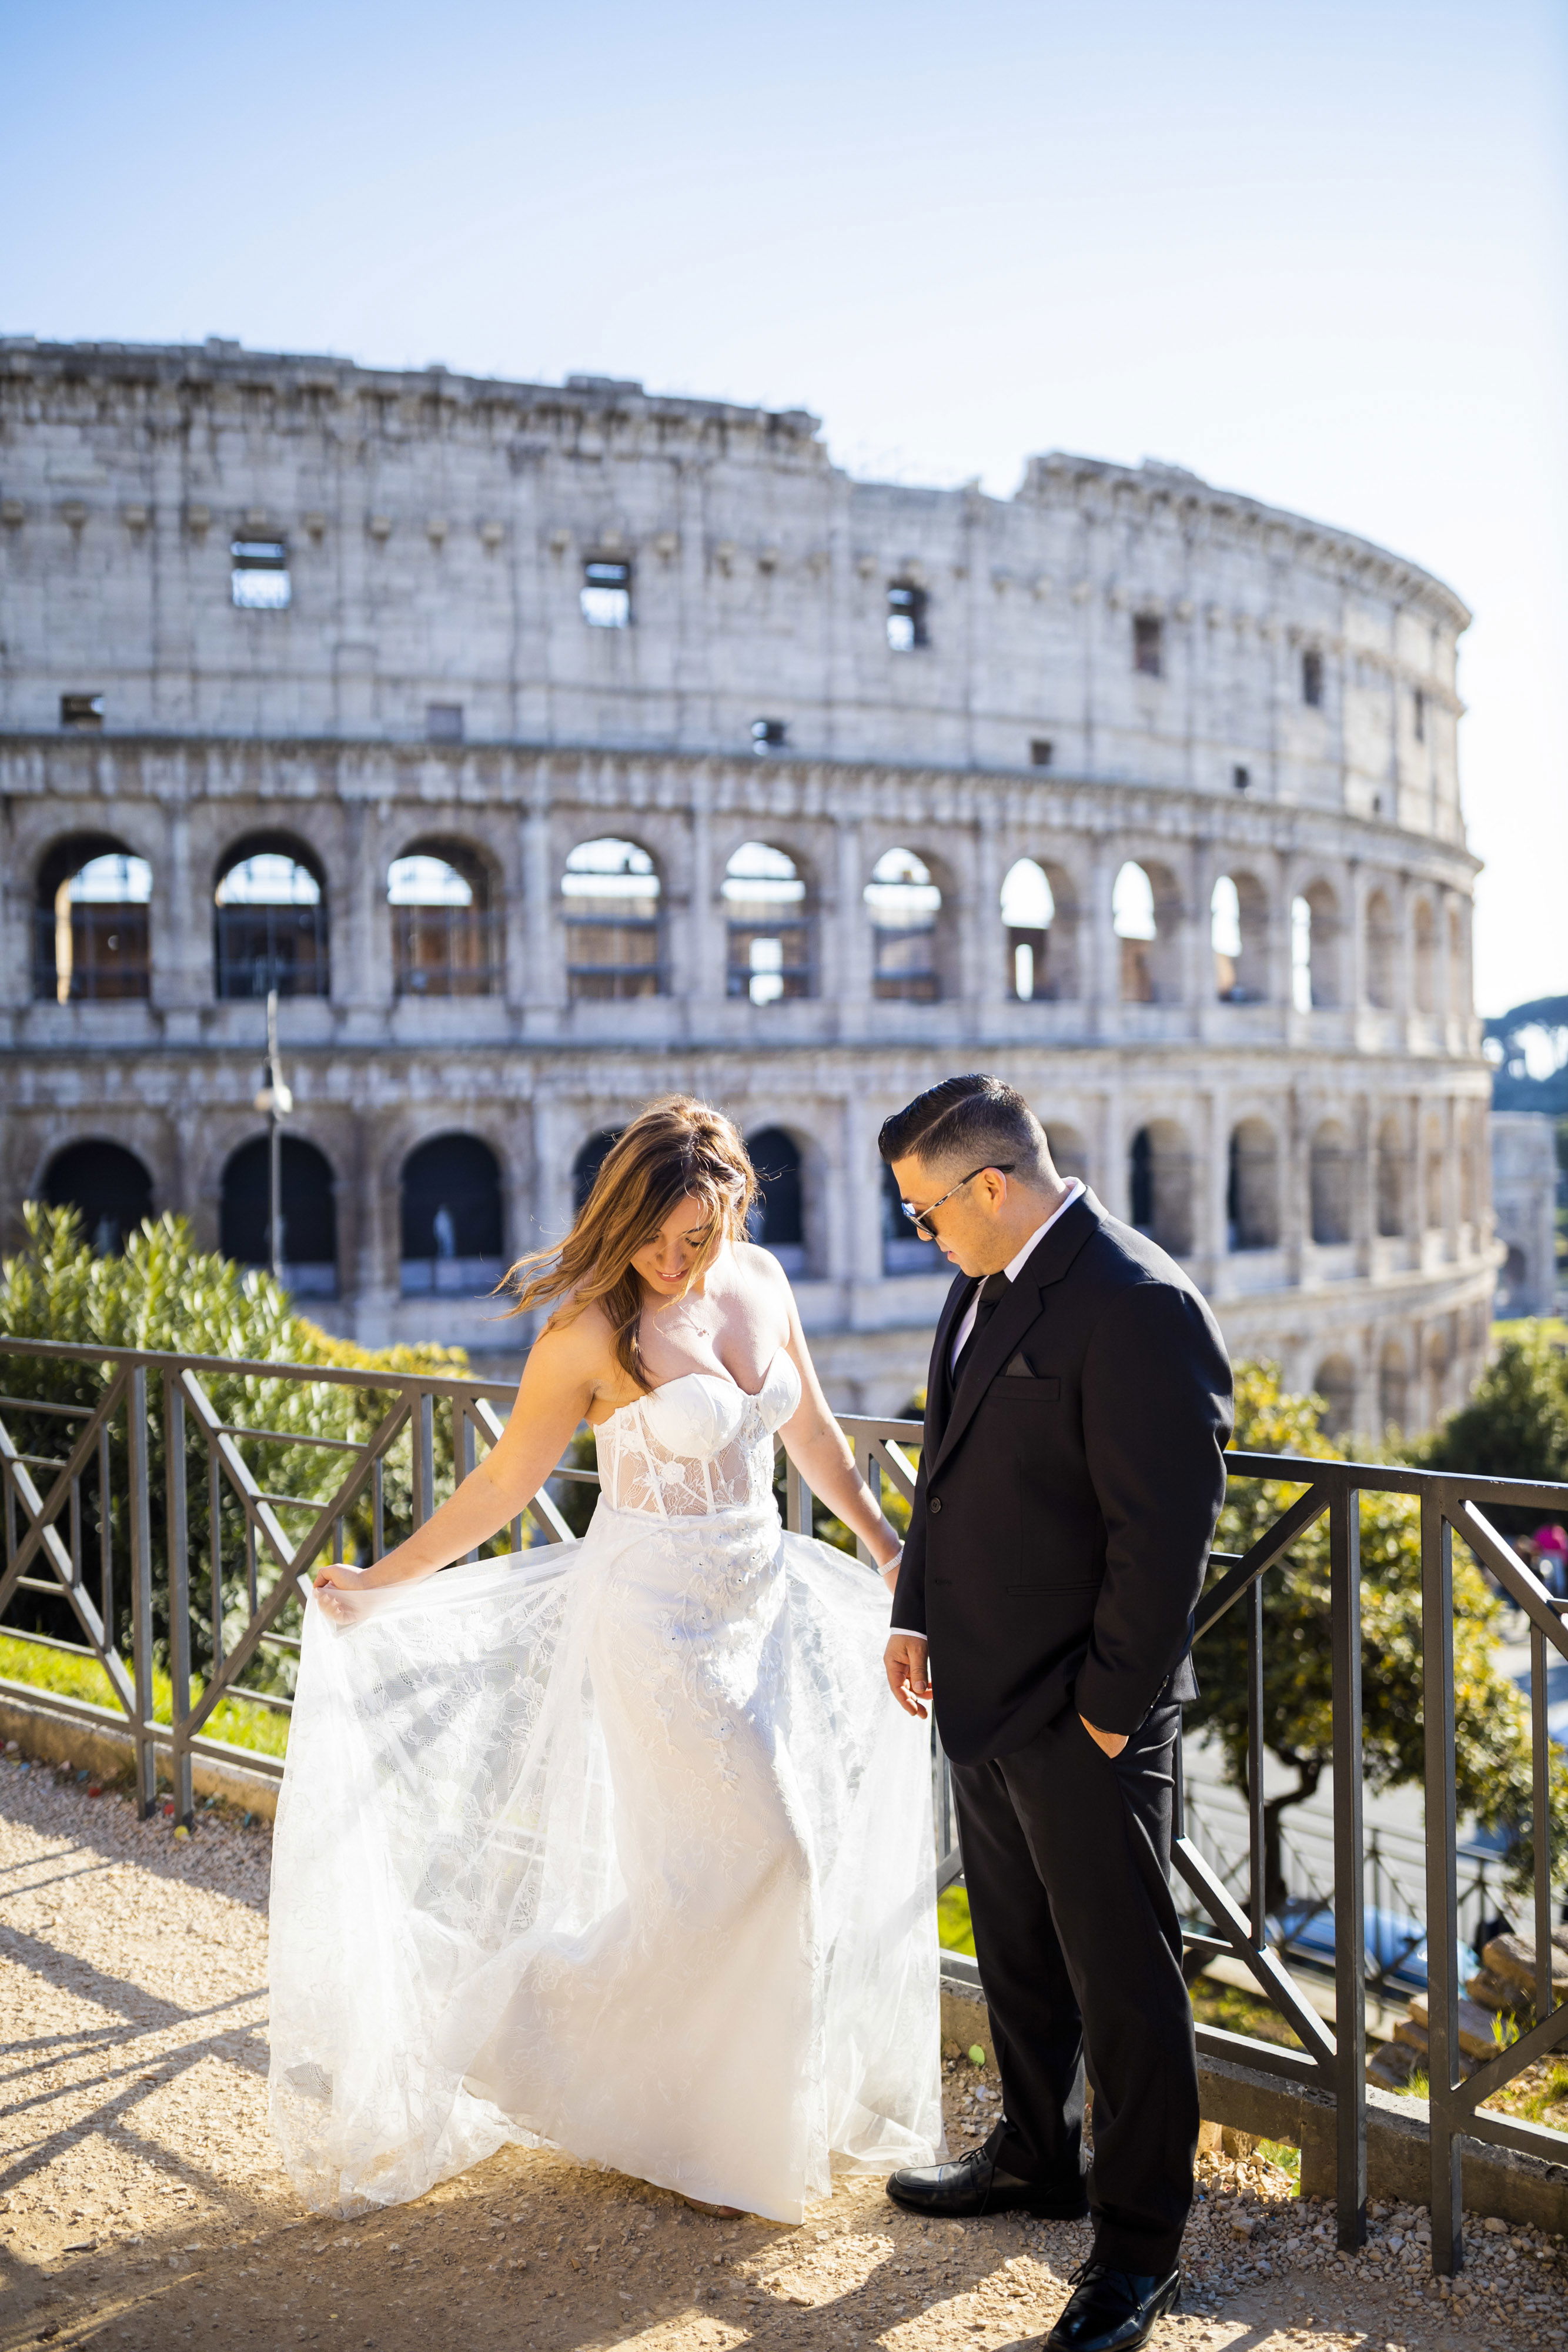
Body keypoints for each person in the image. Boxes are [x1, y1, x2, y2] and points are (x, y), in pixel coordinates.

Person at [269, 1097, 942, 2221]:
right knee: (769, 1859)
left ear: (733, 1207)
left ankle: (717, 2126)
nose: (677, 1260)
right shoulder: (588, 1330)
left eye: (701, 1235)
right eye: (656, 1237)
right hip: (654, 1622)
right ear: (619, 1219)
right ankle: (510, 2022)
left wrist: (888, 1554)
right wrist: (385, 1580)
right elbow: (501, 1486)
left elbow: (812, 1434)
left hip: (759, 1600)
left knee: (715, 1885)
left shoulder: (764, 1280)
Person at [878, 1074, 1233, 2352]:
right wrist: (914, 1610)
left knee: (1123, 1981)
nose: (917, 1232)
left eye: (924, 1210)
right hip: (981, 1688)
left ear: (989, 1184)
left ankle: (1135, 2249)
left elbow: (1165, 1535)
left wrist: (1101, 1713)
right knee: (1020, 1951)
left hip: (1083, 1709)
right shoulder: (978, 1279)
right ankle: (1036, 2152)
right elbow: (946, 1463)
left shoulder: (1134, 1301)